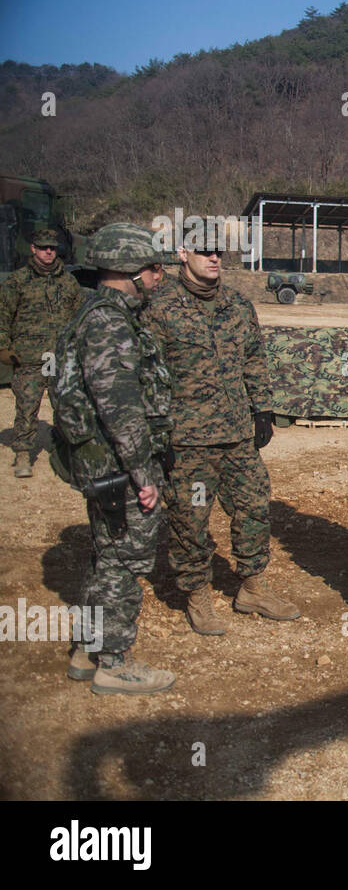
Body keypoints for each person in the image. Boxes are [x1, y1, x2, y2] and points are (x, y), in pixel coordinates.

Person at [144, 239, 300, 634]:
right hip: (188, 444)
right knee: (190, 519)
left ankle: (252, 587)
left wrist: (262, 407)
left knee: (253, 508)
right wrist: (157, 435)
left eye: (220, 252)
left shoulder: (237, 305)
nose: (215, 258)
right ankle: (197, 594)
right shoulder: (159, 308)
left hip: (236, 438)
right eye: (204, 251)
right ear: (183, 254)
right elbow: (148, 377)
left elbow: (253, 357)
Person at [53, 224, 175, 694]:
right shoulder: (109, 322)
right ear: (131, 272)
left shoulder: (94, 312)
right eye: (153, 269)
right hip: (119, 467)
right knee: (125, 560)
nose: (159, 277)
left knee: (105, 553)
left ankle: (87, 649)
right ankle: (114, 661)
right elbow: (120, 407)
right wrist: (143, 473)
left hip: (102, 464)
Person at [0, 228, 84, 478]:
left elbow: (80, 315)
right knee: (27, 406)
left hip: (61, 357)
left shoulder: (68, 281)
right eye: (43, 247)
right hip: (29, 356)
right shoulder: (17, 281)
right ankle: (23, 452)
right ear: (33, 249)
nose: (49, 252)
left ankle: (68, 454)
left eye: (53, 248)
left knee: (66, 406)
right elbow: (3, 315)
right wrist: (4, 348)